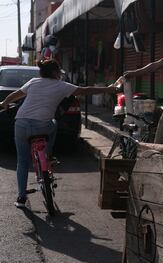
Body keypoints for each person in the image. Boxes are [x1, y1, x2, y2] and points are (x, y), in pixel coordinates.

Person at [0, 59, 118, 208]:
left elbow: (15, 95)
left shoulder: (33, 82)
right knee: (54, 124)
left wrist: (4, 104)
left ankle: (21, 198)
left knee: (22, 161)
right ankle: (47, 155)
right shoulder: (62, 86)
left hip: (21, 124)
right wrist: (109, 89)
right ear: (56, 72)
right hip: (42, 126)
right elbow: (86, 90)